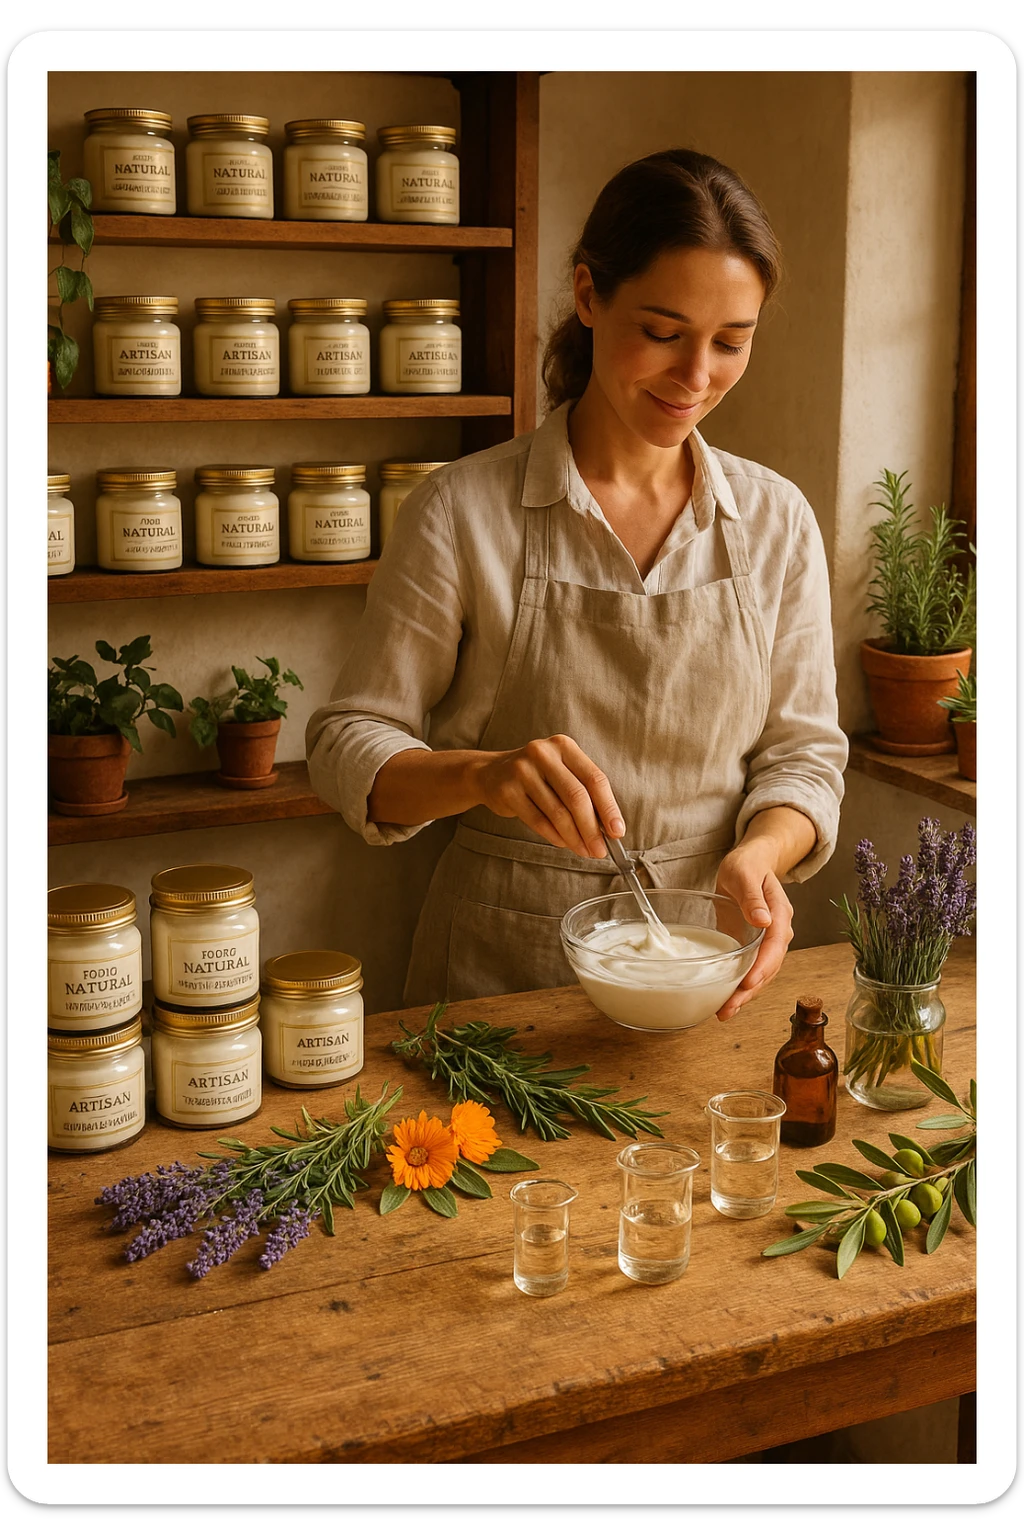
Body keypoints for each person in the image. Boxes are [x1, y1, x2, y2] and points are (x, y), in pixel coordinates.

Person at [306, 147, 848, 1014]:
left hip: (707, 962)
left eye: (731, 343)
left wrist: (763, 852)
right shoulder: (460, 509)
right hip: (498, 979)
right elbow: (346, 742)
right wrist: (482, 776)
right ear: (589, 295)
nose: (696, 378)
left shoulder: (776, 521)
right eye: (664, 334)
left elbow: (805, 755)